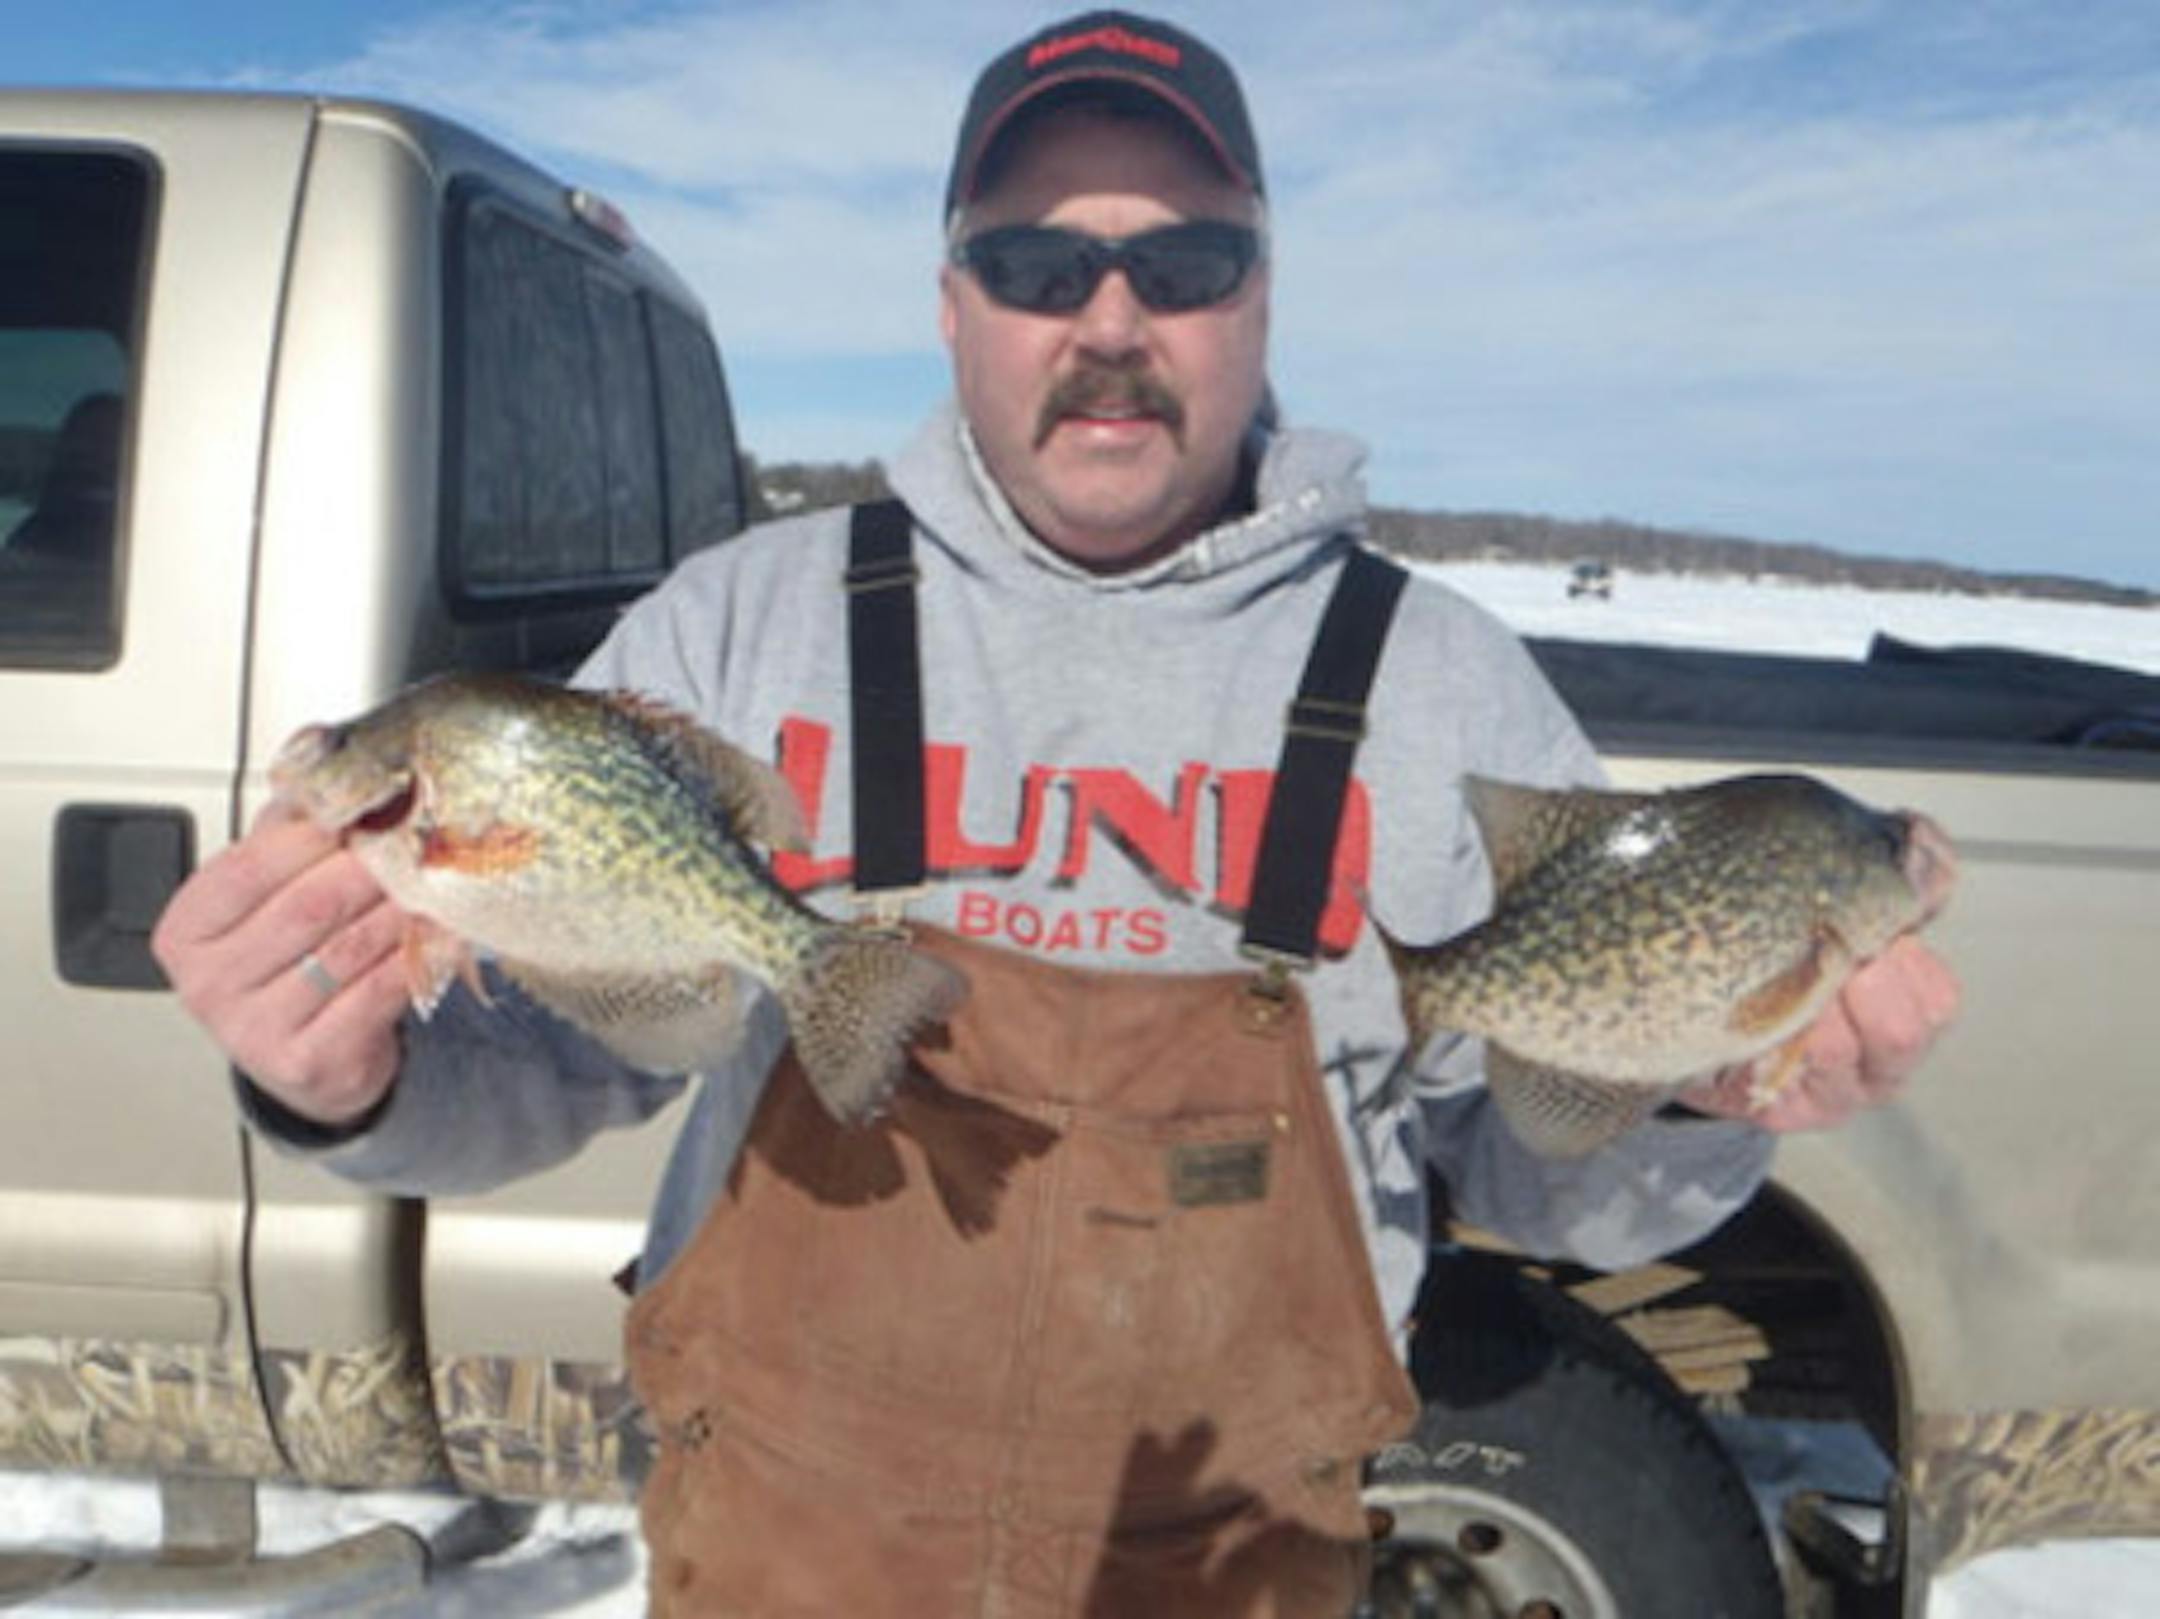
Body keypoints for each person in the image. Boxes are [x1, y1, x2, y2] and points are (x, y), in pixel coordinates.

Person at [151, 12, 1961, 1616]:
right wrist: (343, 1077)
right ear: (951, 304)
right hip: (790, 1563)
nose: (1109, 321)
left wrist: (1706, 1091)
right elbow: (567, 1061)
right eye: (1035, 261)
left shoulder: (1445, 687)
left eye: (1184, 260)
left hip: (1229, 1568)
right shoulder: (737, 628)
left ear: (1262, 297)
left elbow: (1547, 1171)